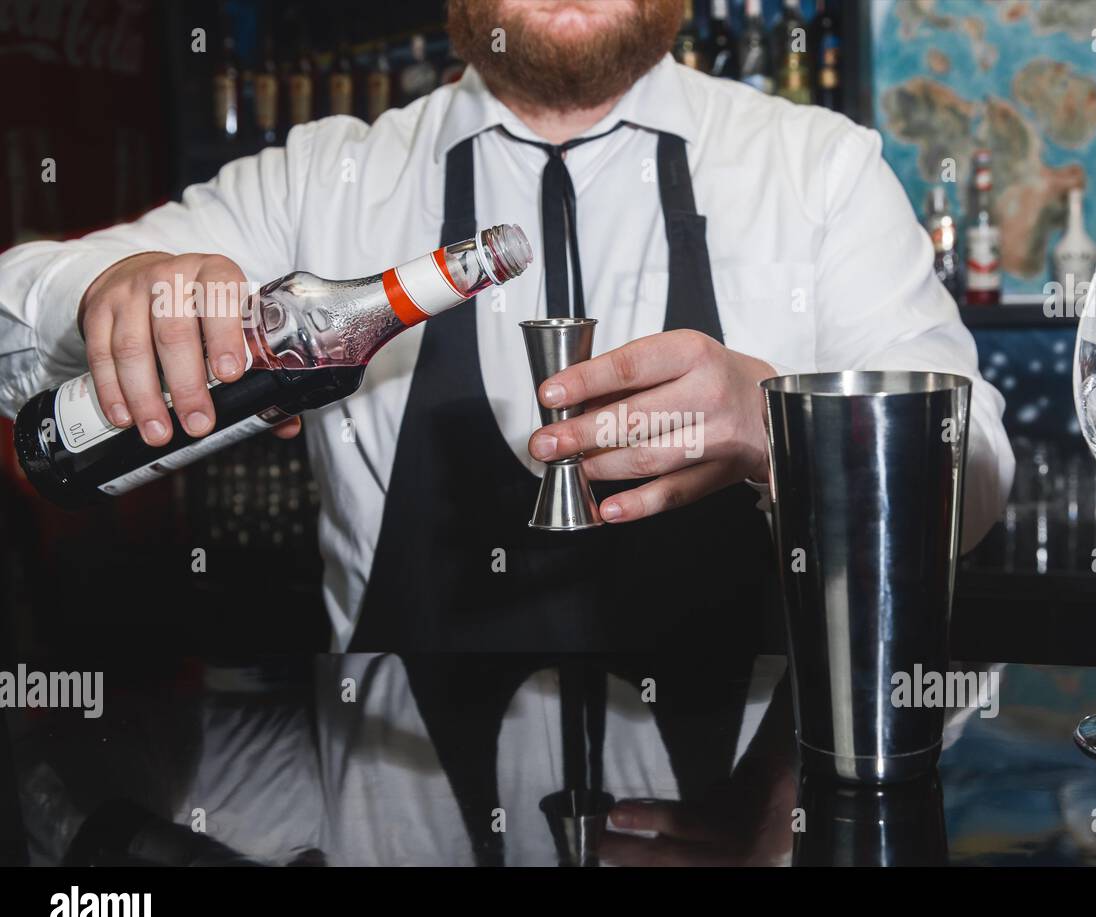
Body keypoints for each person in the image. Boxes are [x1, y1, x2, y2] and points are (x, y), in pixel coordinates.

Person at [0, 0, 1014, 653]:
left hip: (757, 807)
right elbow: (12, 323)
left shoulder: (820, 169)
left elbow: (969, 487)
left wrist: (784, 426)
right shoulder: (319, 179)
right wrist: (114, 282)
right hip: (391, 812)